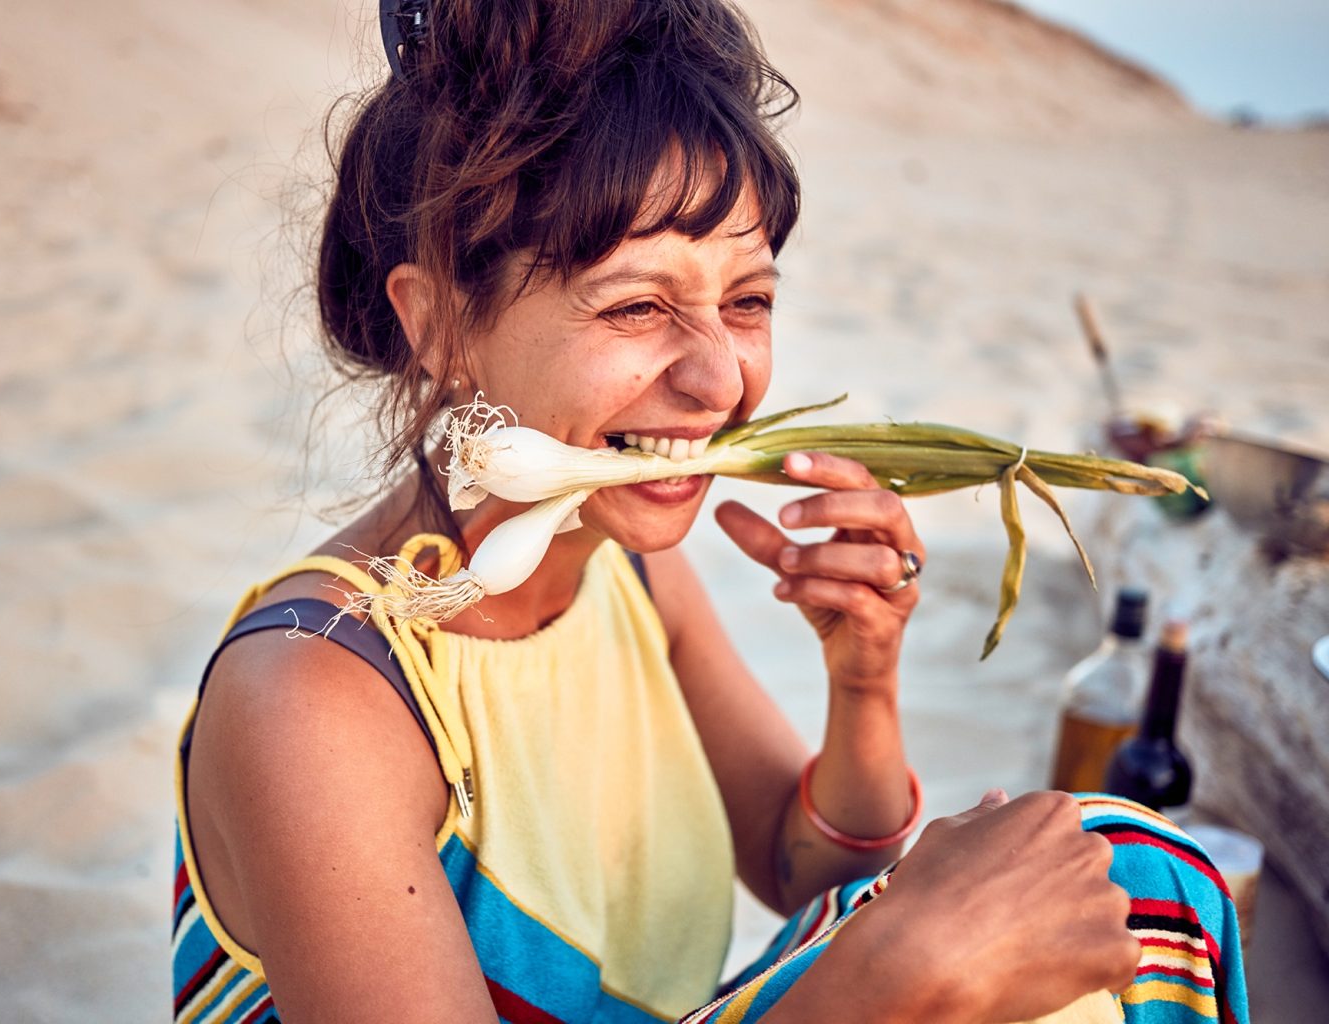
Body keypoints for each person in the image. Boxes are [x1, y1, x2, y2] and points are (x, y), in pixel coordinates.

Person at [171, 2, 1250, 1021]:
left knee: (1125, 874)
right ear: (444, 322)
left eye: (748, 301)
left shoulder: (620, 566)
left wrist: (861, 677)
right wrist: (886, 980)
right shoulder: (319, 694)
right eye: (638, 305)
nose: (720, 378)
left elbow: (806, 863)